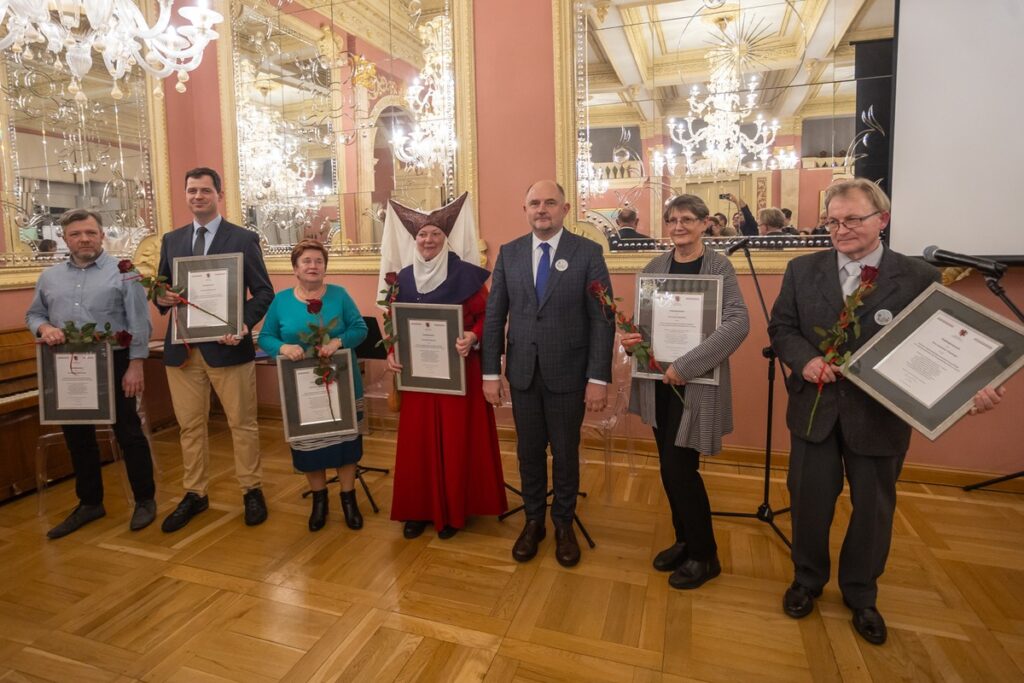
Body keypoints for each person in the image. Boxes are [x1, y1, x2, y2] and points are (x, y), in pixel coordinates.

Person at [768, 177, 1006, 645]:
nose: (841, 230)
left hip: (881, 416)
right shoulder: (801, 269)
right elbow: (782, 327)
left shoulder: (919, 276)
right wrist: (805, 359)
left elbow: (951, 344)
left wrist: (973, 389)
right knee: (810, 502)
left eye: (853, 219)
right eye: (833, 221)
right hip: (814, 409)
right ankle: (807, 580)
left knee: (873, 510)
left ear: (883, 219)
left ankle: (861, 593)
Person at [482, 180, 615, 567]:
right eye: (535, 203)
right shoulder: (510, 253)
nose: (542, 209)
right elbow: (495, 317)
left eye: (550, 203)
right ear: (525, 209)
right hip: (522, 374)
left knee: (565, 453)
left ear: (565, 209)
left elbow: (602, 320)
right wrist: (491, 370)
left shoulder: (587, 252)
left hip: (569, 375)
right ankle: (534, 520)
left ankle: (563, 524)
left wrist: (598, 378)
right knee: (528, 452)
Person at [622, 195, 749, 589]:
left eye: (688, 220)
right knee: (668, 467)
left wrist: (686, 365)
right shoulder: (655, 266)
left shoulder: (719, 266)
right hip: (659, 382)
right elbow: (646, 322)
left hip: (694, 383)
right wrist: (631, 340)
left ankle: (705, 555)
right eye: (672, 220)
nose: (679, 227)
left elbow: (737, 323)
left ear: (705, 223)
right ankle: (685, 540)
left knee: (681, 469)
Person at [155, 167, 274, 532]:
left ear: (218, 194)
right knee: (190, 428)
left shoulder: (242, 238)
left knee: (242, 424)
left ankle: (251, 490)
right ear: (186, 194)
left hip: (227, 347)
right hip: (183, 350)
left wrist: (242, 325)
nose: (197, 196)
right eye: (191, 190)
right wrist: (163, 296)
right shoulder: (172, 240)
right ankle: (195, 493)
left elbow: (264, 292)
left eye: (205, 190)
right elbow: (160, 292)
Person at [383, 194, 508, 539]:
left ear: (446, 238)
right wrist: (392, 349)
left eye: (435, 234)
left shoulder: (466, 275)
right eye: (422, 235)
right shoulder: (403, 278)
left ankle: (453, 511)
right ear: (415, 239)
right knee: (417, 441)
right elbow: (392, 319)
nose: (428, 240)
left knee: (456, 440)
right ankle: (418, 509)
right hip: (419, 375)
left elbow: (488, 316)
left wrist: (472, 335)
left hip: (459, 375)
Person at [26, 209, 156, 538]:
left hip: (116, 362)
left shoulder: (125, 272)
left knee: (129, 433)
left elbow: (140, 321)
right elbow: (34, 314)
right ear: (65, 238)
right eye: (76, 234)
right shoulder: (49, 277)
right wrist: (44, 326)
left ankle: (145, 500)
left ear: (101, 235)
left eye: (90, 232)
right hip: (67, 366)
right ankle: (90, 503)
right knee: (78, 439)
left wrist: (136, 364)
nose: (84, 239)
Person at [258, 240, 367, 531]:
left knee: (347, 444)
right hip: (301, 387)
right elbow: (266, 337)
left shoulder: (340, 295)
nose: (313, 266)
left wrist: (337, 341)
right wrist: (283, 348)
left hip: (342, 381)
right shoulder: (281, 301)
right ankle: (320, 501)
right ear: (295, 268)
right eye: (306, 261)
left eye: (318, 261)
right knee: (309, 447)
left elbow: (360, 328)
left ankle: (348, 499)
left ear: (325, 267)